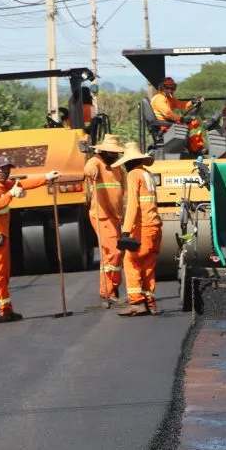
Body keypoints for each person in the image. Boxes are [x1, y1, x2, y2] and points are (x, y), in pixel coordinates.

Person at [0, 156, 59, 324]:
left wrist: (45, 178)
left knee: (3, 274)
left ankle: (6, 310)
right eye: (2, 168)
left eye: (8, 168)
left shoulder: (3, 185)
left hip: (1, 236)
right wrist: (10, 195)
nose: (5, 172)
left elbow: (23, 184)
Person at [115, 143, 162, 317]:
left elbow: (133, 205)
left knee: (131, 261)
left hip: (143, 227)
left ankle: (136, 302)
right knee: (148, 265)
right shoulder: (147, 174)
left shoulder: (134, 175)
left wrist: (126, 231)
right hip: (155, 226)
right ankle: (151, 303)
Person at [84, 134, 125, 304]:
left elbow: (124, 192)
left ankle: (109, 291)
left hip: (115, 217)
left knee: (111, 255)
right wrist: (92, 172)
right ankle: (109, 291)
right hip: (101, 216)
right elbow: (88, 168)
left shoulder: (117, 169)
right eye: (111, 152)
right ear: (104, 151)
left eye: (116, 152)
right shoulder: (96, 162)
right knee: (114, 252)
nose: (114, 155)